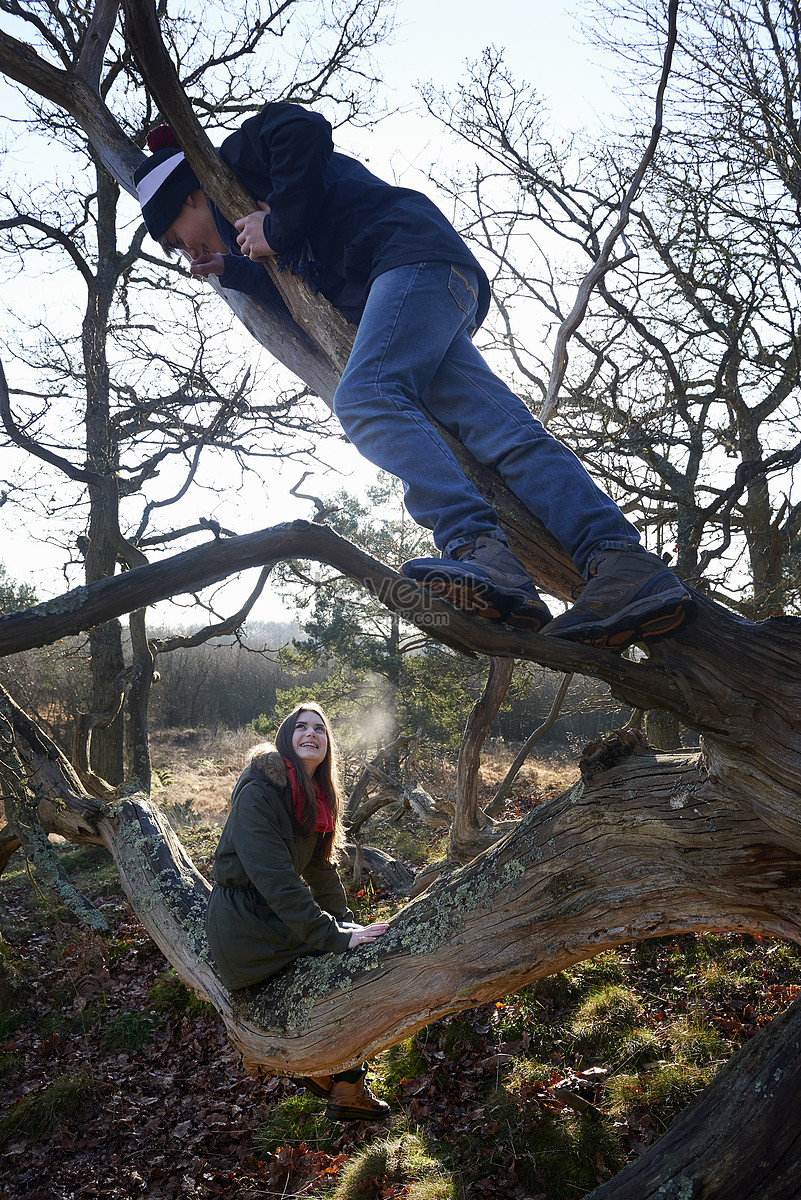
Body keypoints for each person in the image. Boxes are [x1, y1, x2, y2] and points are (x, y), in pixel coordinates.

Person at [135, 104, 695, 653]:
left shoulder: (239, 159)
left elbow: (298, 126)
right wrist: (239, 267)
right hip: (422, 286)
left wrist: (277, 226)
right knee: (510, 437)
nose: (188, 253)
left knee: (367, 395)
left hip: (412, 262)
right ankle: (623, 563)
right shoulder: (254, 221)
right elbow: (304, 278)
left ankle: (477, 549)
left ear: (188, 194)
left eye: (179, 238)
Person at [205, 701, 391, 1122]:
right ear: (286, 738)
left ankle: (342, 1080)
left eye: (320, 729)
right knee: (343, 959)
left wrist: (347, 922)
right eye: (301, 727)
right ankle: (339, 1080)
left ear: (328, 745)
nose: (311, 734)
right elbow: (279, 882)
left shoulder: (311, 797)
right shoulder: (260, 794)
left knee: (359, 950)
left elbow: (320, 870)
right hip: (245, 926)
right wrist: (335, 936)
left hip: (269, 916)